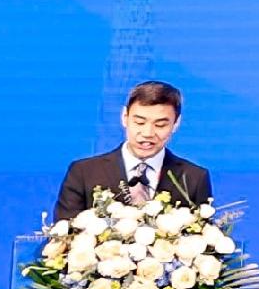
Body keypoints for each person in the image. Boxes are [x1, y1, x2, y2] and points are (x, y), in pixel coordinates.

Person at [54, 80, 212, 221]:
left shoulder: (194, 178)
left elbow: (204, 239)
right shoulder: (84, 172)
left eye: (160, 125)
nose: (148, 133)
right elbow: (62, 238)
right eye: (139, 122)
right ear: (124, 117)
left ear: (176, 124)